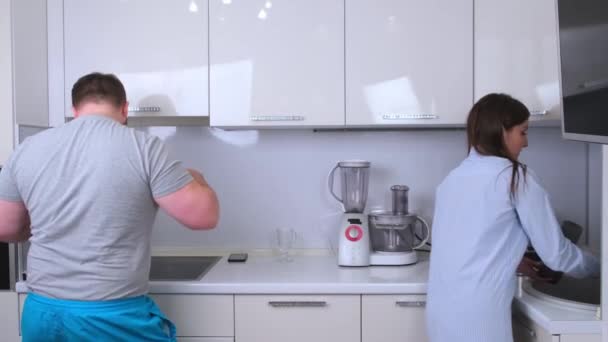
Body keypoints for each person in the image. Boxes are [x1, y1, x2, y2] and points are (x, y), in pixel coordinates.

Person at [0, 72, 220, 341]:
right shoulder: (144, 147)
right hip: (109, 317)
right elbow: (203, 217)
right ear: (125, 108)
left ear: (74, 108)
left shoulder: (28, 148)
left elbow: (6, 228)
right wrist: (197, 179)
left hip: (42, 313)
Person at [425, 93, 599, 342]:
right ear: (502, 132)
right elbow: (557, 255)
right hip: (479, 318)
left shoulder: (452, 179)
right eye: (523, 132)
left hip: (441, 313)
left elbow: (464, 245)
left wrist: (513, 260)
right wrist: (599, 268)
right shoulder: (515, 177)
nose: (526, 143)